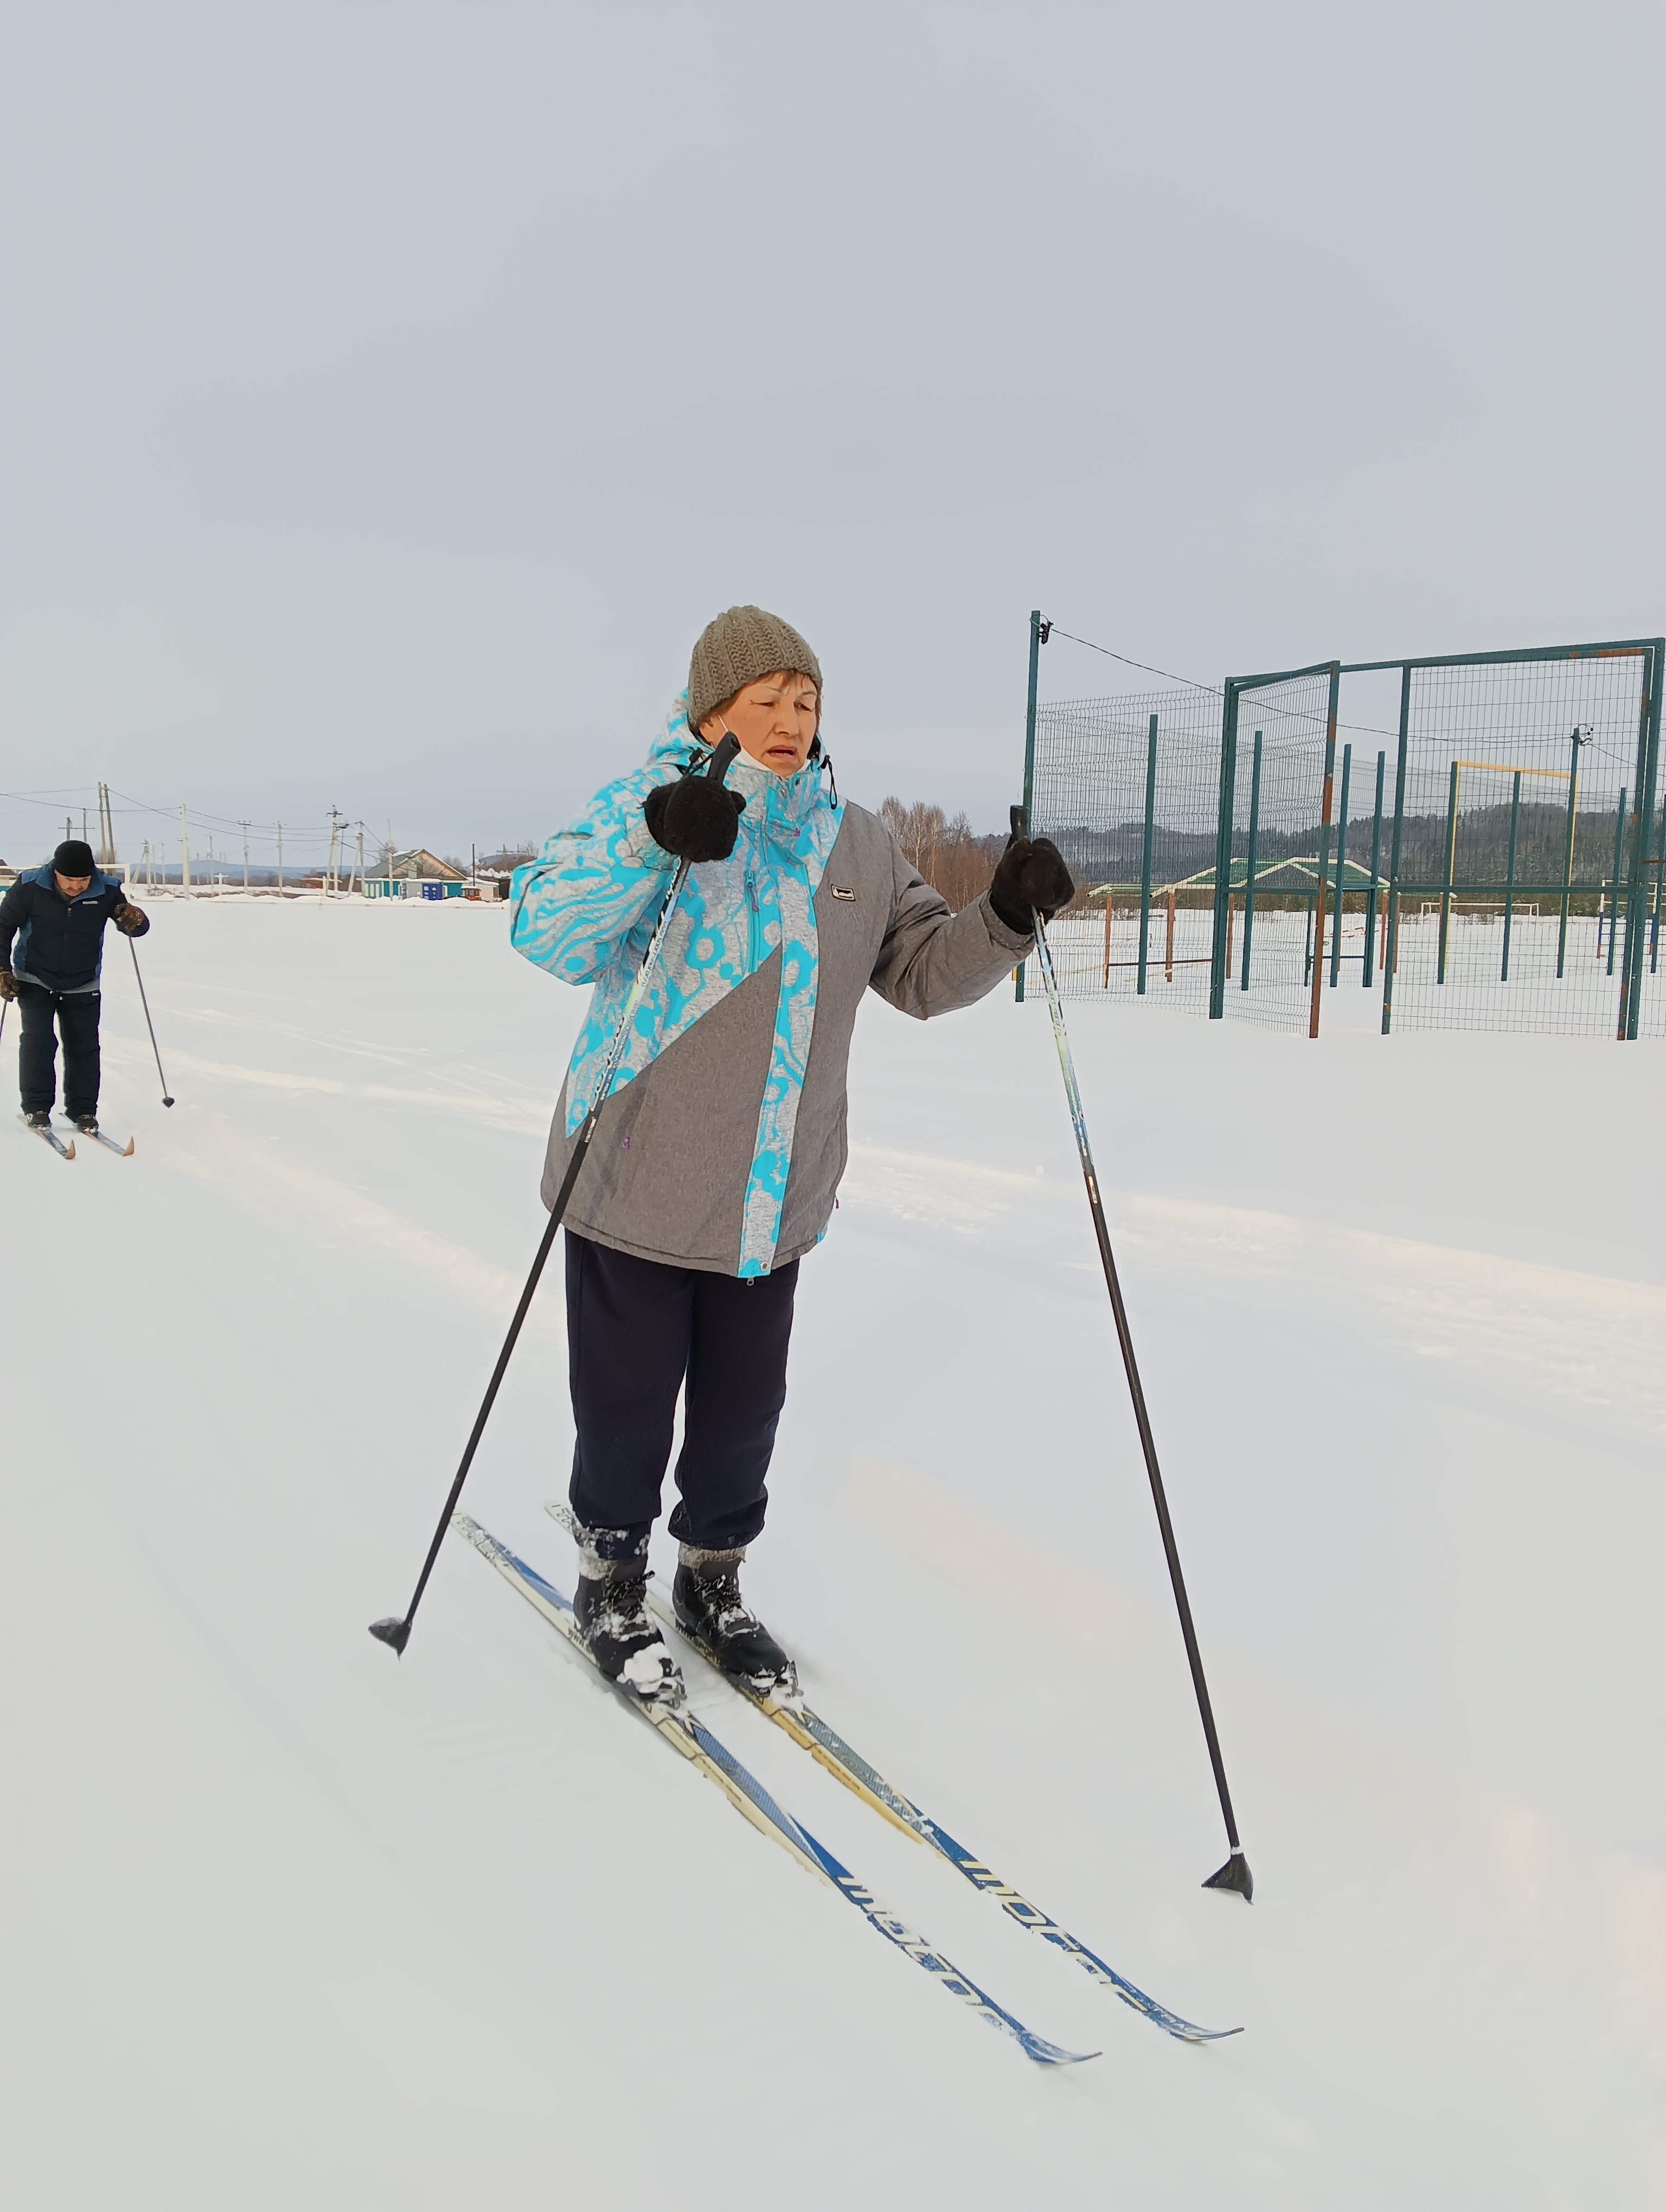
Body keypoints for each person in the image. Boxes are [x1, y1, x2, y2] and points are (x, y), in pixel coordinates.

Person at [510, 606, 1073, 1702]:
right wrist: (653, 839)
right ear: (708, 710)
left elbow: (919, 972)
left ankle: (712, 1580)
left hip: (774, 1193)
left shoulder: (856, 842)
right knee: (626, 1403)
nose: (787, 720)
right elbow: (546, 930)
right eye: (763, 700)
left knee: (741, 1409)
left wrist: (1002, 917)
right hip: (636, 1172)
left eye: (804, 701)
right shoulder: (651, 807)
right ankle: (611, 1583)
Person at [0, 839, 150, 1135]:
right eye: (70, 881)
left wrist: (136, 922)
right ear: (56, 871)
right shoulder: (30, 885)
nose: (77, 887)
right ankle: (37, 1107)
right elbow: (3, 927)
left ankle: (83, 1110)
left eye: (83, 881)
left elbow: (132, 923)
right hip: (34, 976)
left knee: (85, 1046)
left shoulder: (106, 888)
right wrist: (3, 969)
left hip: (83, 979)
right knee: (38, 1043)